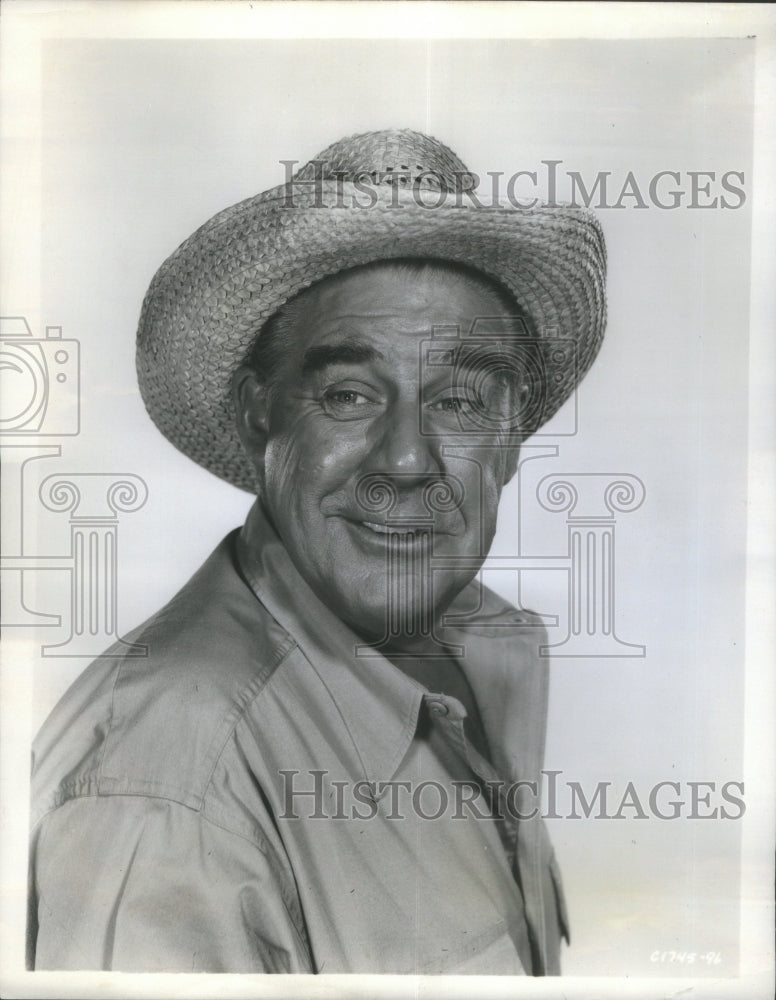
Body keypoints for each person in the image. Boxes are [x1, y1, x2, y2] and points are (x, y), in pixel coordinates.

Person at [27, 129, 606, 974]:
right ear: (259, 415)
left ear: (513, 433)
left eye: (458, 398)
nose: (406, 461)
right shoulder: (168, 787)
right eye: (347, 394)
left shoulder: (472, 647)